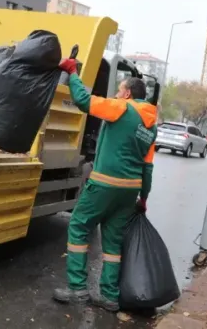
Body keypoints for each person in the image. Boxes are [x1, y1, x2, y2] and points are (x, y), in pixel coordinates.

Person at [52, 58, 158, 312]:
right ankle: (109, 296)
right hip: (129, 191)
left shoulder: (121, 108)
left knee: (78, 226)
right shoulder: (151, 125)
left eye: (120, 90)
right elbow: (147, 167)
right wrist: (143, 198)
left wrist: (73, 73)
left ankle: (78, 289)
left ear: (128, 93)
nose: (117, 93)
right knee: (112, 244)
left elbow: (83, 101)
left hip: (104, 184)